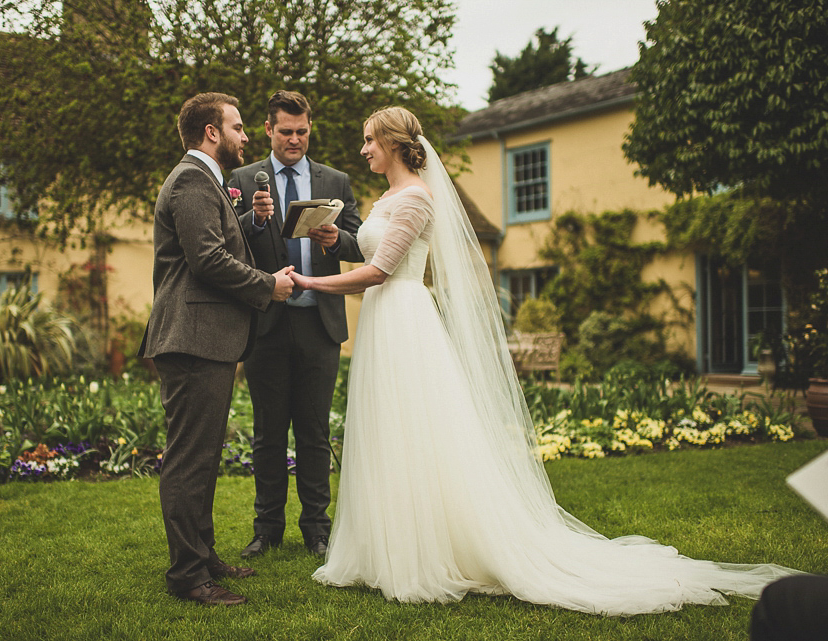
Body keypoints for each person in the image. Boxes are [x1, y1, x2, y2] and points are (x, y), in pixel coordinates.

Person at [291, 106, 801, 614]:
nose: (363, 150)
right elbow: (368, 251)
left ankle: (428, 553)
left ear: (396, 143)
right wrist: (338, 240)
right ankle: (385, 551)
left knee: (417, 433)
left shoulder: (418, 198)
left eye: (369, 141)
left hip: (403, 319)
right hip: (386, 324)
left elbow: (381, 272)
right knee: (388, 432)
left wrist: (311, 282)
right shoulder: (387, 198)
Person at [138, 92, 295, 606]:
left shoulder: (205, 182)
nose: (246, 136)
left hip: (206, 337)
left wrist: (249, 223)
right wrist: (266, 285)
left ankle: (202, 556)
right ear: (212, 131)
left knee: (203, 457)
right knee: (189, 460)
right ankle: (188, 575)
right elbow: (206, 259)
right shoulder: (190, 180)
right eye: (239, 127)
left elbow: (215, 245)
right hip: (192, 337)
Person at [227, 90, 364, 558]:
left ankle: (317, 530)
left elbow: (362, 243)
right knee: (268, 432)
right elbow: (226, 245)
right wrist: (252, 217)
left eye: (302, 132)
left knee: (314, 431)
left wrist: (336, 237)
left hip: (319, 325)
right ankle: (266, 530)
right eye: (286, 131)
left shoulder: (336, 180)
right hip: (266, 324)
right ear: (268, 129)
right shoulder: (242, 179)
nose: (295, 140)